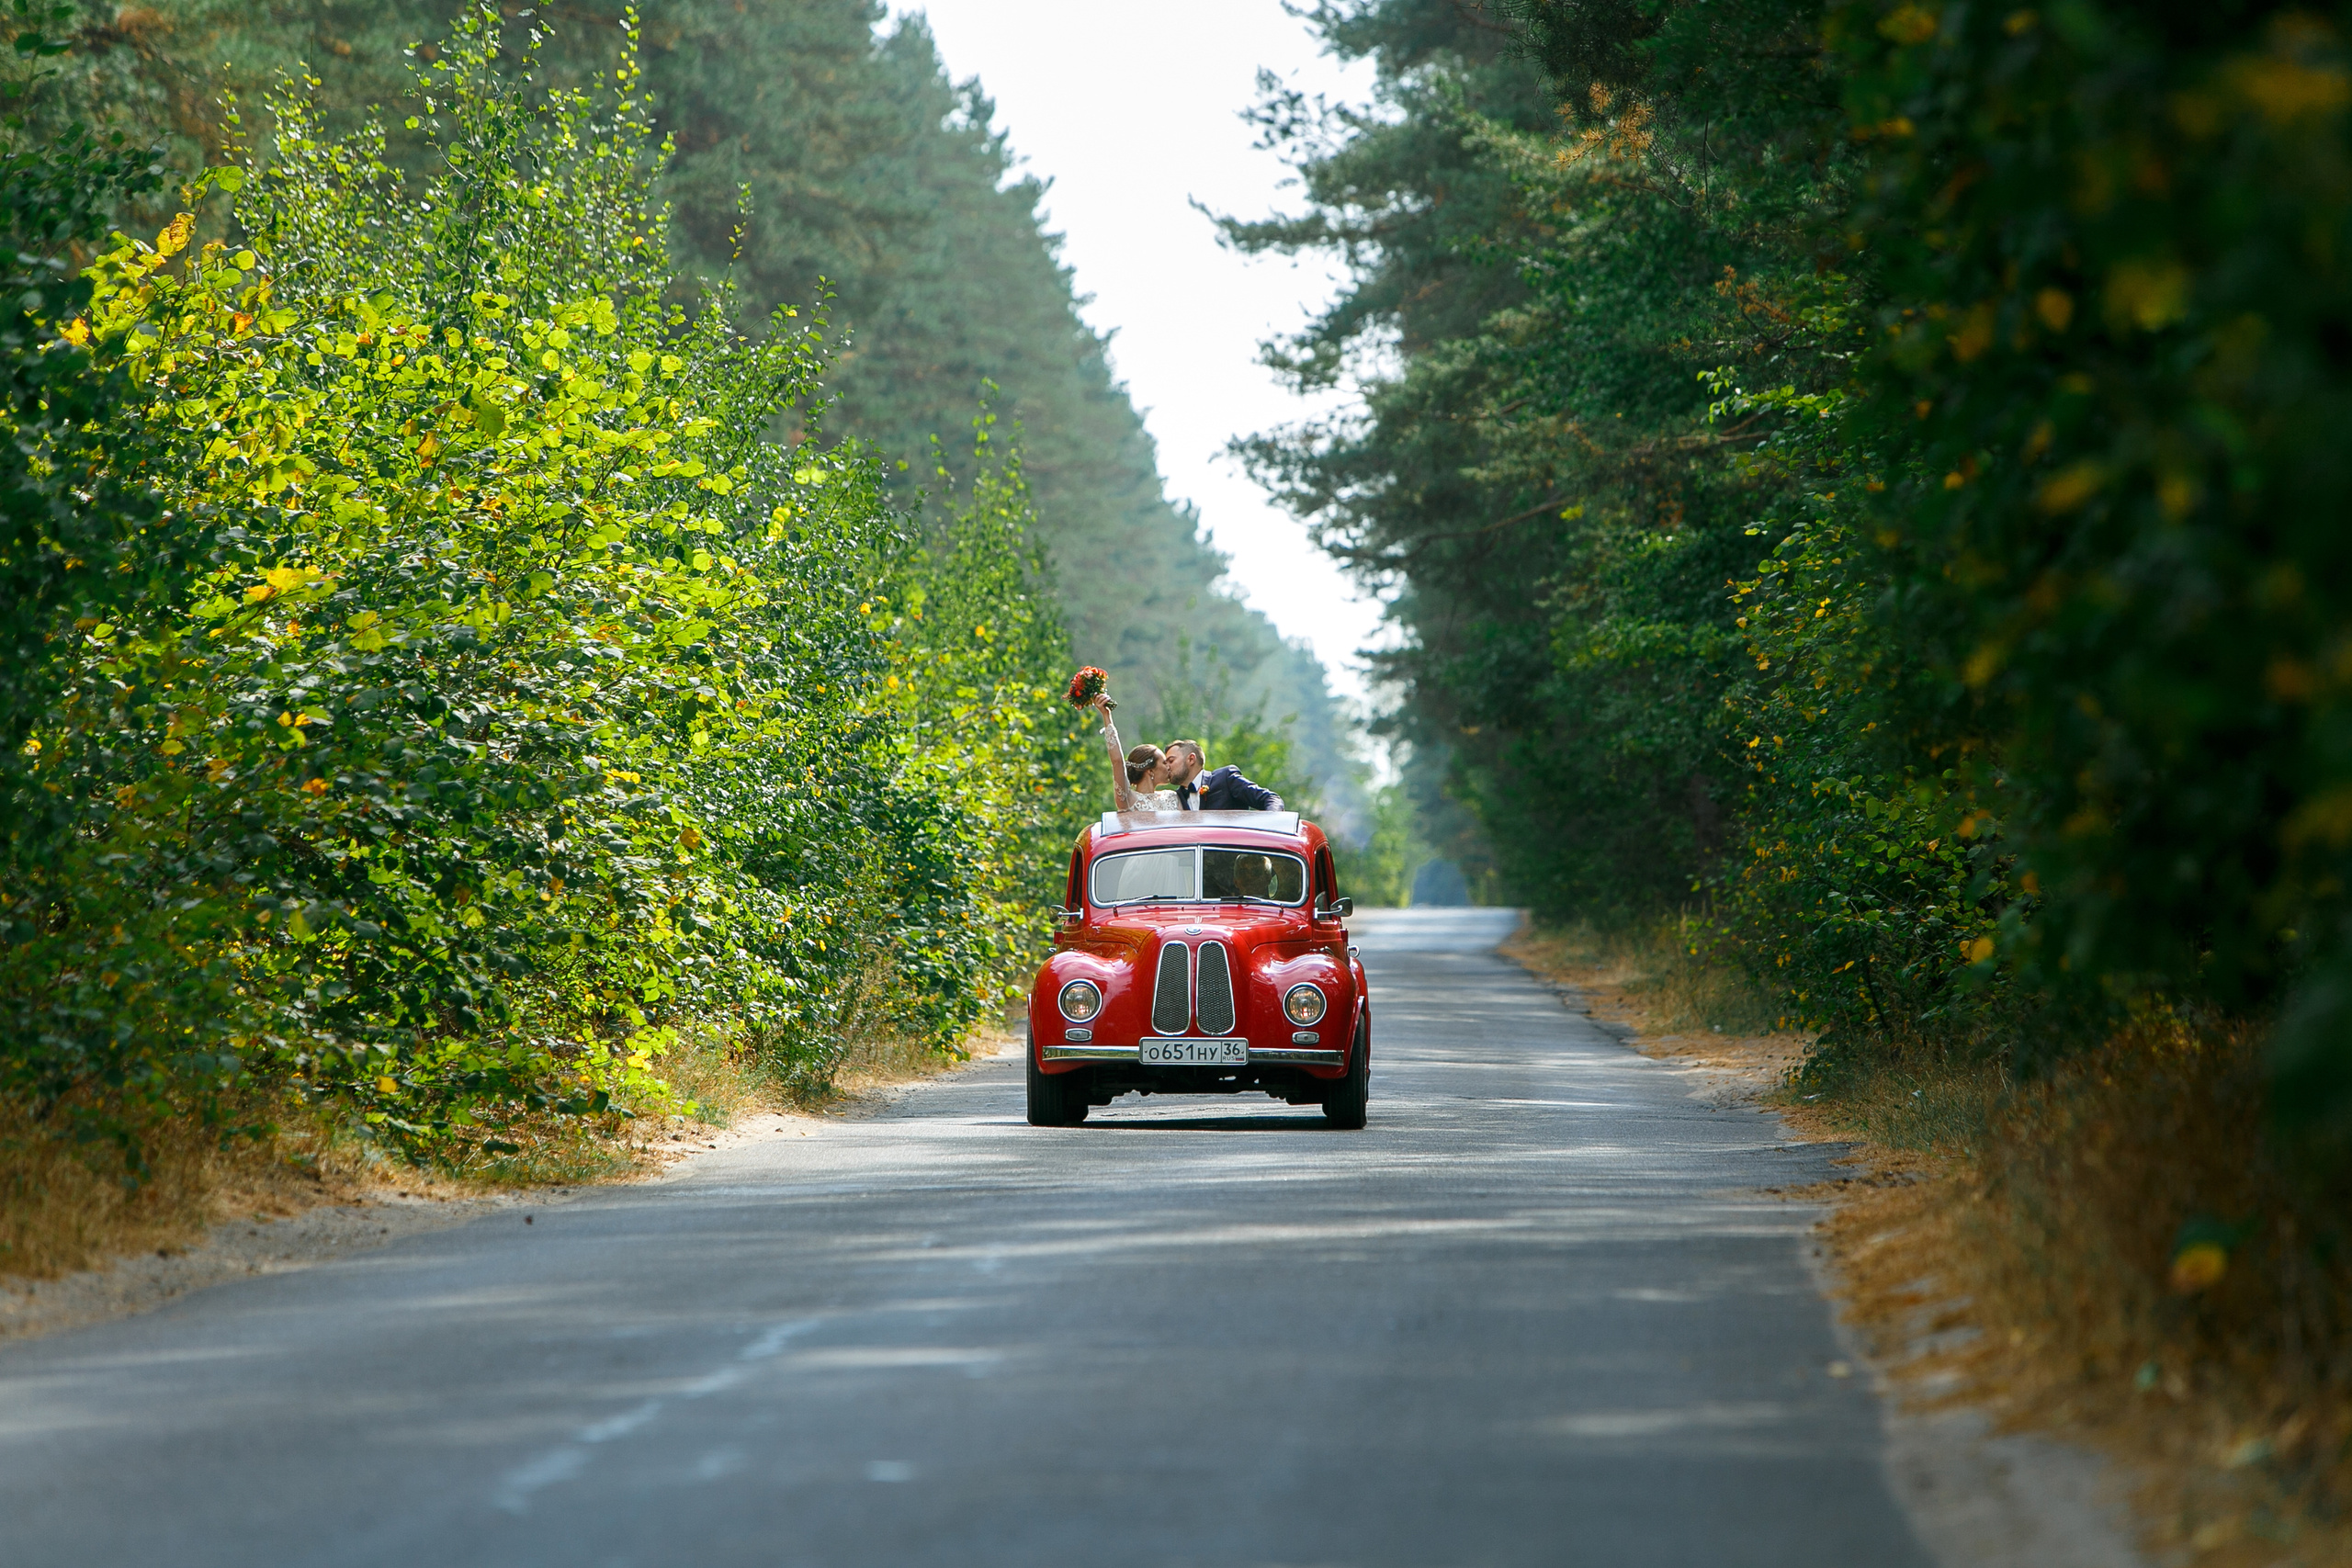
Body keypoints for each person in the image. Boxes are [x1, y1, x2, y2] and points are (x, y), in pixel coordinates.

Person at [1095, 695, 1181, 812]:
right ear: (1150, 771)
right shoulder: (1129, 800)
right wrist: (1106, 715)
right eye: (1164, 763)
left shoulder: (1172, 797)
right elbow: (1117, 761)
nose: (1169, 767)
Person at [1162, 739, 1283, 812]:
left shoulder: (1225, 778)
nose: (1167, 767)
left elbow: (1271, 799)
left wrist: (1269, 823)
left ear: (1191, 759)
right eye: (1165, 763)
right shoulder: (1175, 798)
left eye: (1171, 761)